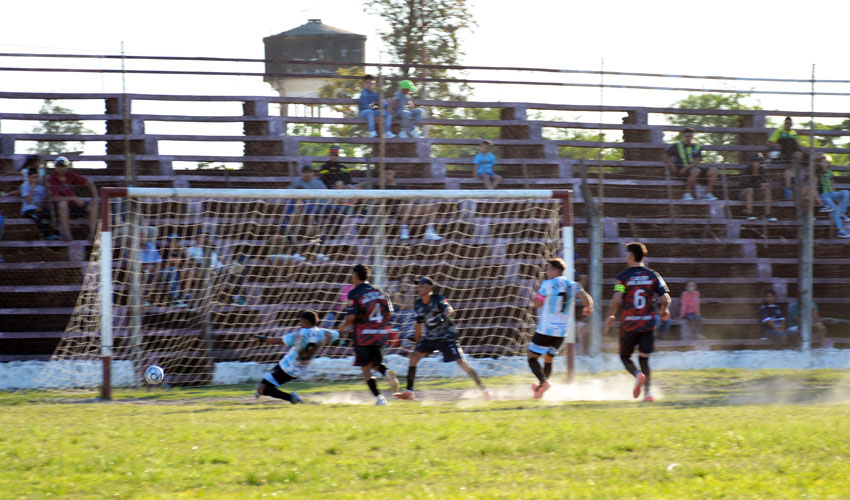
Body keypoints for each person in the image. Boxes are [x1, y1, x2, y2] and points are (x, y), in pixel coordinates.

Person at [395, 277, 491, 401]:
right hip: (430, 338)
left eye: (422, 285)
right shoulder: (418, 303)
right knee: (413, 358)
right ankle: (409, 392)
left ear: (430, 288)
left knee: (462, 364)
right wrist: (418, 343)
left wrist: (441, 317)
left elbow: (449, 309)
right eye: (418, 286)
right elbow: (418, 324)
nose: (419, 288)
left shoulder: (438, 298)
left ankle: (484, 390)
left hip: (447, 337)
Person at [604, 242, 670, 402]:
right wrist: (663, 311)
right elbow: (666, 299)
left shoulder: (623, 278)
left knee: (624, 356)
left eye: (626, 253)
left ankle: (637, 374)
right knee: (644, 358)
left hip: (630, 324)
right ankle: (647, 394)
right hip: (647, 324)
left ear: (631, 256)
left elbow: (617, 299)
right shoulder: (653, 275)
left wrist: (611, 315)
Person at [528, 258, 593, 399]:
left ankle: (543, 382)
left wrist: (536, 298)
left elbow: (537, 304)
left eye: (549, 269)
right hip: (562, 332)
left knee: (531, 358)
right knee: (548, 359)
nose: (546, 272)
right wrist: (589, 308)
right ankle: (540, 389)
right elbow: (587, 299)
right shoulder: (572, 284)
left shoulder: (547, 284)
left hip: (546, 329)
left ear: (556, 271)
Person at [339, 264, 399, 405]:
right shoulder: (380, 291)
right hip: (379, 334)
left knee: (366, 368)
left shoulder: (354, 293)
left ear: (355, 276)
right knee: (376, 364)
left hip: (363, 335)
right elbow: (390, 313)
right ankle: (386, 373)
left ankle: (380, 399)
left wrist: (343, 326)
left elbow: (351, 316)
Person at [252, 311, 339, 404]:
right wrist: (344, 327)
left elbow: (280, 340)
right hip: (299, 369)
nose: (300, 323)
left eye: (301, 321)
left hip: (287, 367)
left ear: (305, 322)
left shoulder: (300, 334)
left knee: (262, 388)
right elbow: (337, 333)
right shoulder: (324, 333)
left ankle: (292, 398)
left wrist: (264, 339)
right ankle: (264, 393)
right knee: (265, 387)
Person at [185, 230, 248, 306]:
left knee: (242, 268)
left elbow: (220, 261)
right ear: (197, 238)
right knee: (232, 270)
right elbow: (188, 262)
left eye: (206, 237)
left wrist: (228, 264)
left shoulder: (211, 250)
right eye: (202, 237)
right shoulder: (192, 249)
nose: (205, 239)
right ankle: (234, 297)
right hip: (211, 271)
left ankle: (236, 296)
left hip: (222, 269)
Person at [382, 166, 442, 241]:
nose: (388, 176)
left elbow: (406, 199)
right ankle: (404, 231)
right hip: (391, 210)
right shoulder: (381, 186)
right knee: (405, 206)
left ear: (394, 174)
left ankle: (430, 232)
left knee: (431, 207)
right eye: (386, 174)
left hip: (407, 208)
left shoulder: (400, 186)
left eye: (389, 173)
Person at [47, 156, 98, 242]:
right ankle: (67, 234)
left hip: (74, 205)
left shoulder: (70, 175)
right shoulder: (51, 179)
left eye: (63, 166)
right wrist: (72, 198)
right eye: (59, 166)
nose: (61, 168)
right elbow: (54, 198)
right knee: (63, 203)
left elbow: (89, 182)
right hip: (60, 209)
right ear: (55, 167)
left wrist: (95, 197)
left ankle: (92, 235)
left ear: (67, 167)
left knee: (93, 206)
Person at [664, 127, 718, 201]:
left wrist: (686, 168)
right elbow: (665, 155)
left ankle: (707, 194)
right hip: (682, 170)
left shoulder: (697, 146)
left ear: (693, 136)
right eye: (687, 136)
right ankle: (687, 194)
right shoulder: (677, 145)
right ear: (683, 136)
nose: (688, 138)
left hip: (691, 169)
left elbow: (697, 160)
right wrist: (672, 166)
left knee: (713, 170)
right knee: (696, 171)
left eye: (690, 136)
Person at [768, 117, 806, 200]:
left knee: (800, 154)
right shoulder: (779, 131)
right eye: (786, 123)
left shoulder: (794, 133)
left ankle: (798, 174)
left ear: (791, 124)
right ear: (784, 123)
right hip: (784, 152)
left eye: (789, 123)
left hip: (793, 152)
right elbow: (770, 142)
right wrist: (779, 146)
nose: (787, 125)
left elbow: (796, 145)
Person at [815, 154, 850, 239]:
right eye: (823, 162)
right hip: (824, 195)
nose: (825, 163)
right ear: (819, 163)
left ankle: (842, 213)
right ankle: (841, 230)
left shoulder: (830, 172)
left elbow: (832, 184)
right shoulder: (817, 173)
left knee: (845, 192)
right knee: (835, 209)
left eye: (826, 162)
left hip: (831, 193)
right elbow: (815, 187)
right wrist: (818, 199)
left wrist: (836, 196)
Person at [20, 171, 61, 240]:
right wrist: (32, 188)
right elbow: (28, 201)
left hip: (38, 209)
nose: (35, 179)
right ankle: (46, 235)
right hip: (28, 209)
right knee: (37, 216)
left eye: (37, 177)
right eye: (33, 177)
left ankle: (56, 232)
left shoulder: (41, 188)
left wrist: (40, 207)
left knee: (53, 214)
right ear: (29, 178)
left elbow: (43, 201)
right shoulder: (25, 186)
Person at [739, 153, 776, 221]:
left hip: (757, 194)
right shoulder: (746, 170)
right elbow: (745, 184)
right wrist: (759, 184)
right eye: (754, 161)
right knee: (750, 190)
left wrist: (765, 184)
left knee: (767, 189)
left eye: (758, 161)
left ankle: (768, 214)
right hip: (744, 193)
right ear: (752, 162)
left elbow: (766, 181)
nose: (756, 163)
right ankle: (749, 214)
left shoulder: (762, 171)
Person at [357, 74, 394, 138]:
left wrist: (388, 107)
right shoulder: (364, 94)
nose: (370, 85)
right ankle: (372, 132)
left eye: (372, 83)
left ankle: (387, 132)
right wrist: (377, 106)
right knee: (370, 112)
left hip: (373, 112)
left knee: (388, 113)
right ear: (364, 84)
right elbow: (365, 106)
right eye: (368, 83)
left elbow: (382, 102)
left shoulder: (375, 93)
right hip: (363, 112)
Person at [160, 234, 188, 308]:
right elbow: (168, 263)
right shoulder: (165, 251)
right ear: (169, 243)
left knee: (188, 272)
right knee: (173, 270)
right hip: (165, 273)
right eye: (173, 241)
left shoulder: (180, 252)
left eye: (177, 241)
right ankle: (175, 299)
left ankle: (186, 295)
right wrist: (180, 261)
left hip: (177, 272)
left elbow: (186, 262)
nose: (176, 243)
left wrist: (185, 253)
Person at [390, 276, 416, 341]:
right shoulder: (396, 294)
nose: (405, 284)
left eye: (407, 282)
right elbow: (403, 307)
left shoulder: (409, 294)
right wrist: (412, 292)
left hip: (404, 319)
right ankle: (408, 337)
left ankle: (413, 336)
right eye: (403, 282)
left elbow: (411, 306)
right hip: (395, 320)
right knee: (409, 313)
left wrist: (411, 292)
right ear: (400, 284)